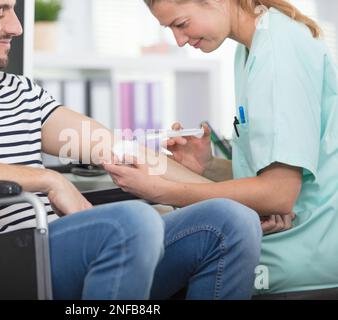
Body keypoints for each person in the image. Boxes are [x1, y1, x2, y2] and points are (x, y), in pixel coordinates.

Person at [0, 0, 262, 299]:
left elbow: (119, 150)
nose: (16, 26)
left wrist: (235, 200)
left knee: (231, 221)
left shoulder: (16, 89)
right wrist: (46, 179)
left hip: (53, 246)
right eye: (0, 12)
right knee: (132, 221)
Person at [104, 0, 338, 296]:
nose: (179, 40)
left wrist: (159, 189)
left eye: (181, 24)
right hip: (283, 248)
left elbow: (278, 194)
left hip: (300, 261)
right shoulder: (250, 47)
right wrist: (208, 165)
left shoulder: (280, 52)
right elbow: (278, 168)